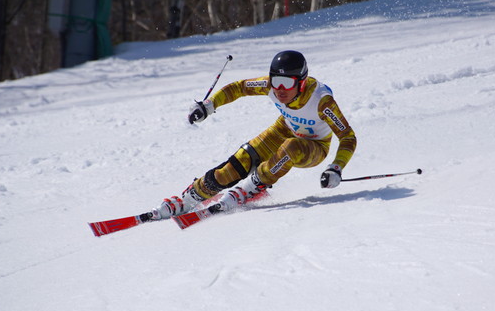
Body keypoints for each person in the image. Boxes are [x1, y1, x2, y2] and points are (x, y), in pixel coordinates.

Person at [152, 50, 357, 220]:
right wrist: (208, 106)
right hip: (284, 129)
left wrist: (336, 168)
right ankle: (190, 197)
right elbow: (238, 88)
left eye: (287, 83)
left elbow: (348, 137)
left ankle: (254, 186)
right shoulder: (270, 86)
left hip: (315, 146)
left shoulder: (321, 101)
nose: (280, 90)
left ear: (301, 83)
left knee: (291, 148)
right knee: (234, 167)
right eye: (276, 81)